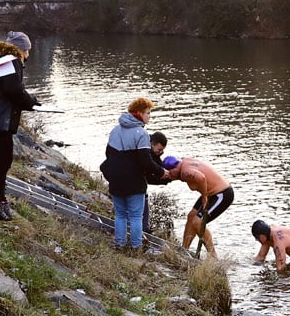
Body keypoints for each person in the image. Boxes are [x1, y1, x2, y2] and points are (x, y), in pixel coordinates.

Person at [0, 31, 40, 220]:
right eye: (28, 51)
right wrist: (31, 102)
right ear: (23, 49)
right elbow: (14, 90)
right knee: (2, 164)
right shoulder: (13, 62)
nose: (28, 55)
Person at [100, 96, 164, 251]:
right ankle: (136, 247)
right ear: (140, 113)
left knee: (120, 215)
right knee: (136, 217)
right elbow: (146, 162)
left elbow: (109, 156)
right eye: (148, 113)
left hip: (116, 181)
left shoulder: (115, 130)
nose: (149, 116)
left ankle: (119, 244)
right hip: (134, 183)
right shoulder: (141, 134)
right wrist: (162, 172)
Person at [161, 154, 235, 258]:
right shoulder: (184, 163)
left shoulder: (185, 172)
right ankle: (184, 250)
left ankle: (213, 257)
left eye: (169, 173)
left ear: (173, 169)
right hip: (212, 194)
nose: (168, 176)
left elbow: (201, 177)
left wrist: (204, 197)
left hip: (222, 195)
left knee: (198, 222)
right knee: (192, 216)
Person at [142, 129, 169, 234]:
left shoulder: (153, 152)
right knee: (142, 197)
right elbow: (147, 177)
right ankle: (143, 230)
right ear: (152, 144)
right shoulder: (144, 152)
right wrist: (162, 179)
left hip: (139, 180)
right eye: (159, 149)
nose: (161, 152)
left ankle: (144, 227)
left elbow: (158, 166)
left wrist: (166, 174)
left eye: (162, 150)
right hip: (132, 179)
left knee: (143, 197)